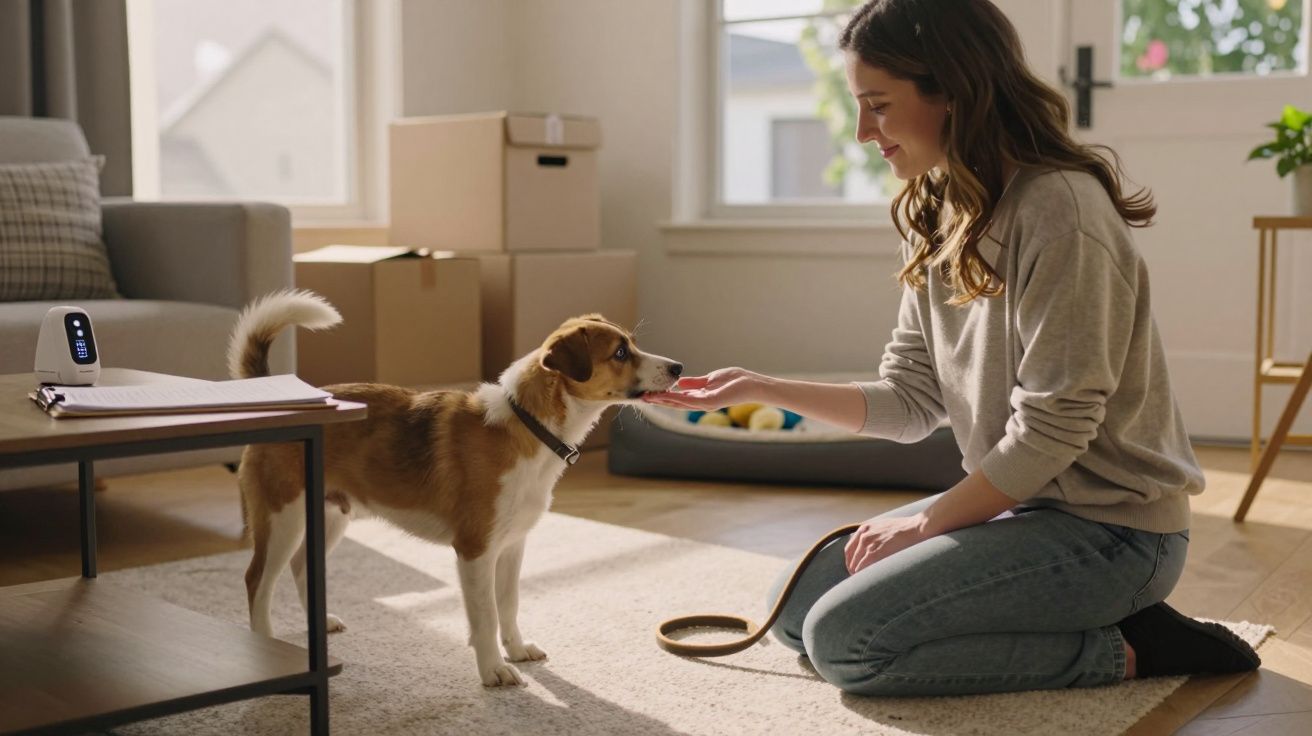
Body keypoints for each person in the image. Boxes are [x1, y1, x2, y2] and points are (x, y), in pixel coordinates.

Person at [642, 0, 1260, 697]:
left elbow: (1056, 425)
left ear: (954, 92)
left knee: (846, 643)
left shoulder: (1062, 211)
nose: (860, 132)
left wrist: (928, 525)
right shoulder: (939, 210)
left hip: (1115, 535)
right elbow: (911, 402)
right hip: (1019, 510)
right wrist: (764, 388)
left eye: (877, 105)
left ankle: (1135, 646)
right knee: (794, 613)